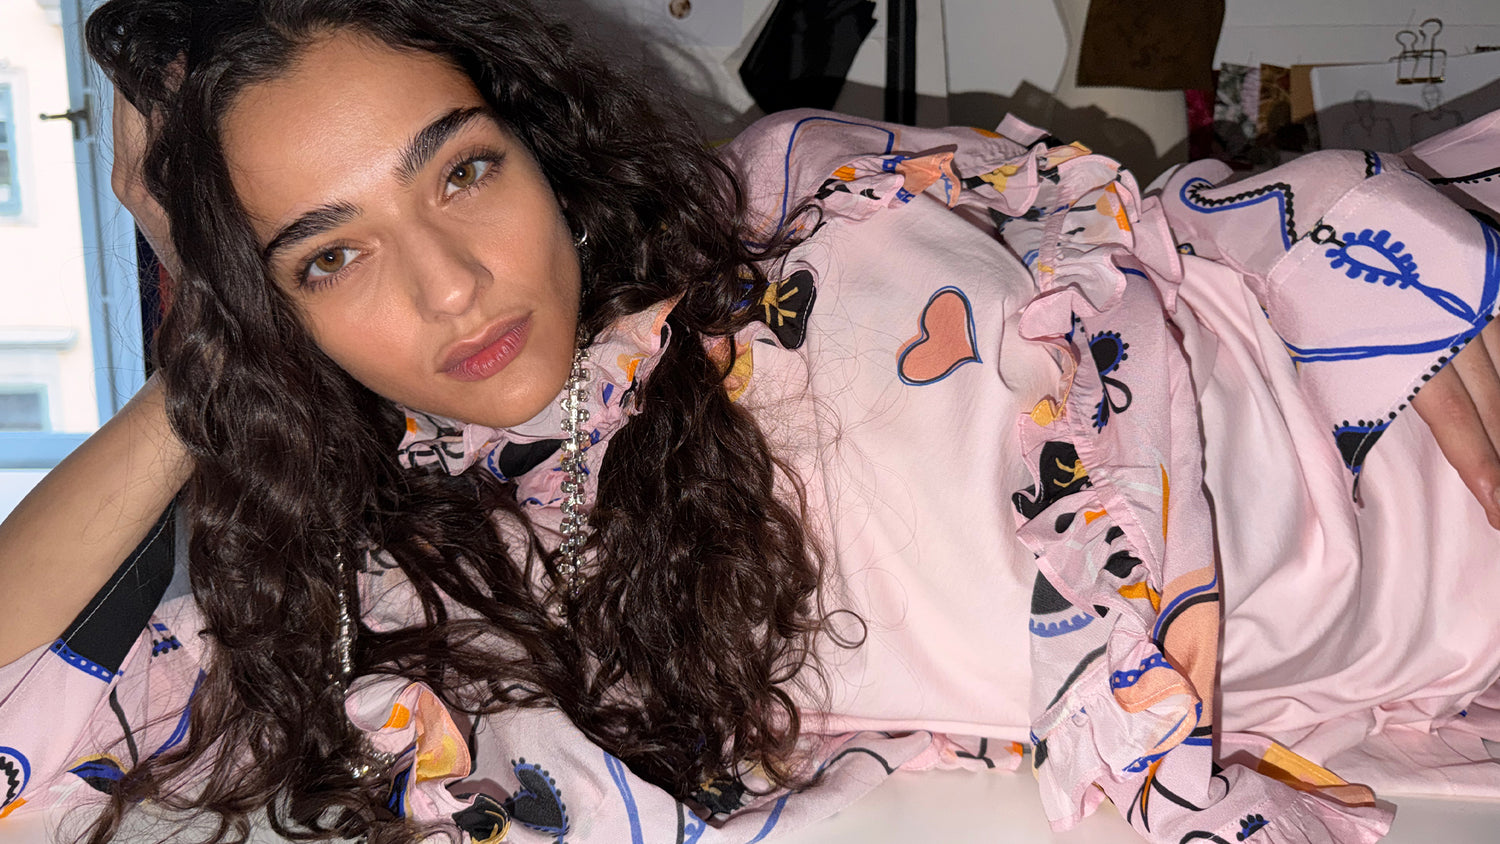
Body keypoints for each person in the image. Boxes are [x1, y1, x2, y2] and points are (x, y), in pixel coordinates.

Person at [2, 1, 1499, 842]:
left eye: (462, 170)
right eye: (330, 257)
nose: (452, 285)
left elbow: (1132, 237)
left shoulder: (777, 196)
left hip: (1427, 380)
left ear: (535, 142)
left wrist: (1345, 223)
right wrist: (209, 337)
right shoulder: (434, 591)